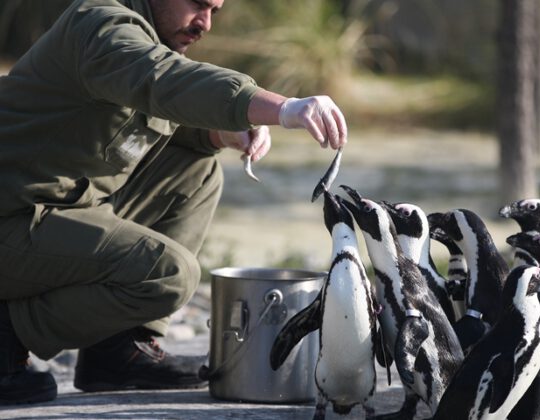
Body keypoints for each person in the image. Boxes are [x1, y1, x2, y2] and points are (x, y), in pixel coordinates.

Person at [0, 0, 347, 405]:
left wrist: (223, 135)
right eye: (198, 4)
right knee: (169, 274)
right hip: (12, 215)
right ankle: (7, 333)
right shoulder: (100, 26)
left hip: (45, 211)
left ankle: (120, 347)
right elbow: (161, 80)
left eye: (215, 10)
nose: (205, 23)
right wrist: (282, 108)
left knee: (196, 170)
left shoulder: (149, 37)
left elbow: (155, 120)